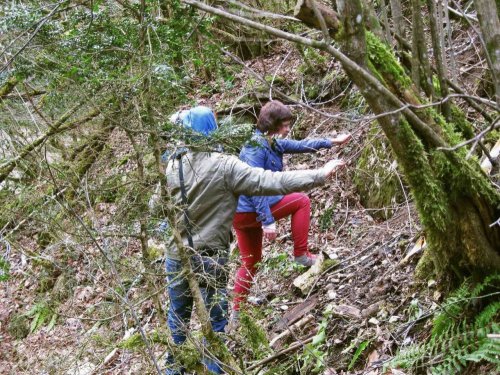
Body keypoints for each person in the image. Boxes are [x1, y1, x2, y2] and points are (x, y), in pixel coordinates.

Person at [161, 105, 345, 374]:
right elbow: (270, 181)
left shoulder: (173, 165)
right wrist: (318, 175)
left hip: (176, 256)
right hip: (210, 257)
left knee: (177, 319)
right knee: (215, 326)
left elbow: (157, 205)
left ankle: (172, 370)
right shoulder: (225, 166)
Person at [232, 100, 351, 312]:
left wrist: (332, 142)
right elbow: (253, 186)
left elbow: (301, 145)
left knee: (251, 261)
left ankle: (236, 312)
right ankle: (301, 255)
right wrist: (267, 221)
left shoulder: (272, 142)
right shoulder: (255, 147)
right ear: (272, 123)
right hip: (249, 211)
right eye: (284, 125)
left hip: (243, 213)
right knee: (301, 201)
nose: (288, 129)